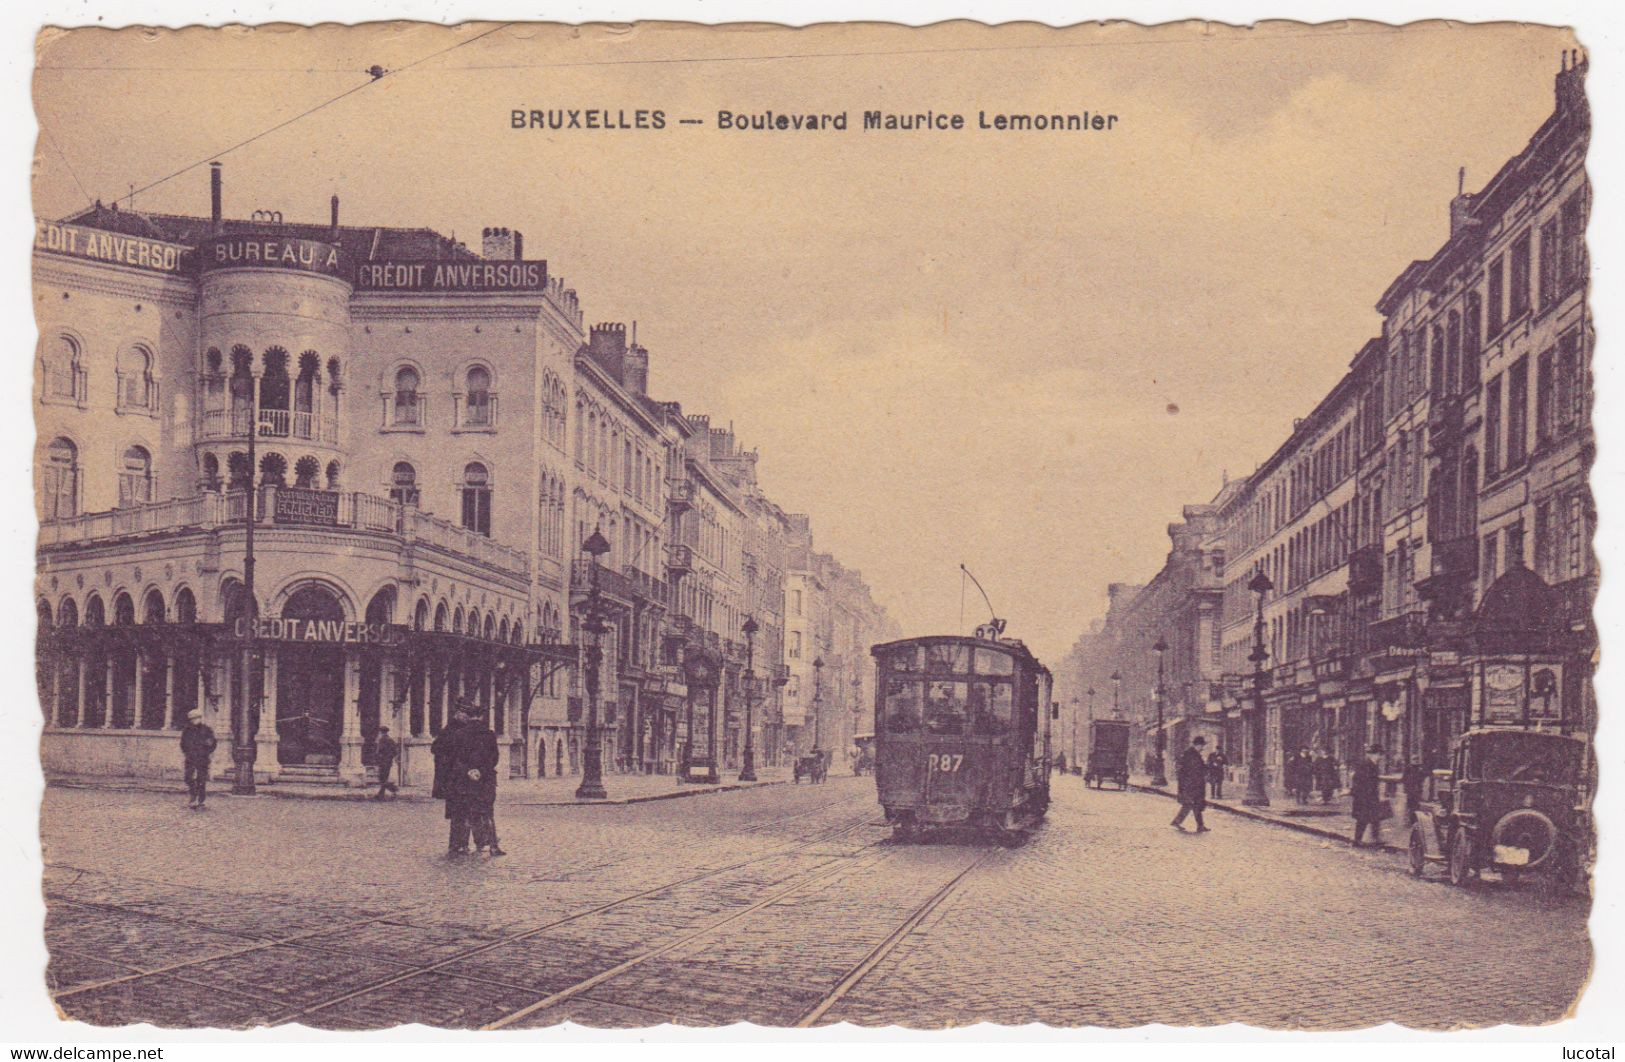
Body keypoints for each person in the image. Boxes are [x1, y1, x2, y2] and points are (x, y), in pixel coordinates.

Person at [452, 705, 504, 857]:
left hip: (465, 779)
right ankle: (493, 847)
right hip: (486, 779)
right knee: (488, 813)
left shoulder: (459, 734)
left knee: (466, 812)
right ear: (482, 716)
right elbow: (494, 757)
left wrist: (469, 771)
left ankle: (463, 846)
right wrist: (481, 771)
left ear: (468, 716)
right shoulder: (489, 734)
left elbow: (456, 758)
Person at [431, 711, 466, 856]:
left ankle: (456, 844)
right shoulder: (462, 734)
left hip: (450, 780)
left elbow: (435, 749)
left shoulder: (446, 733)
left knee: (457, 814)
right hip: (459, 779)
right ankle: (463, 843)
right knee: (465, 813)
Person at [180, 708, 217, 810]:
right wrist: (187, 752)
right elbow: (183, 743)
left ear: (200, 718)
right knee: (188, 777)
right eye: (192, 719)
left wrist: (206, 752)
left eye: (196, 718)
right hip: (190, 757)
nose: (194, 720)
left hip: (202, 758)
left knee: (201, 779)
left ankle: (201, 800)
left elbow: (213, 743)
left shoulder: (207, 730)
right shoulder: (187, 730)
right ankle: (193, 793)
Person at [1171, 735, 1210, 832]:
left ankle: (1200, 826)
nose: (1202, 748)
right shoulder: (1192, 755)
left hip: (1192, 784)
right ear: (1198, 745)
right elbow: (1194, 770)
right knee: (1190, 804)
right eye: (1202, 746)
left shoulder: (1192, 754)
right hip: (1191, 785)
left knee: (1196, 804)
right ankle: (1177, 822)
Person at [1351, 743, 1385, 847]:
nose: (1380, 757)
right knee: (1363, 819)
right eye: (1379, 755)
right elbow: (1358, 779)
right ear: (1375, 754)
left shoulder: (1373, 764)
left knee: (1375, 817)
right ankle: (1357, 840)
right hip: (1364, 796)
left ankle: (1375, 838)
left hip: (1370, 796)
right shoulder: (1365, 764)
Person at [374, 726, 400, 800]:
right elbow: (395, 752)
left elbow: (378, 751)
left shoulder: (382, 740)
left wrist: (379, 758)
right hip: (388, 762)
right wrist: (390, 757)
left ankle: (393, 789)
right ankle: (380, 794)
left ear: (381, 732)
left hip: (383, 762)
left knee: (382, 778)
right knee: (384, 778)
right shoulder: (391, 740)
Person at [1402, 757, 1427, 825]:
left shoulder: (1419, 769)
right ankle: (1409, 821)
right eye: (1414, 760)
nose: (1415, 761)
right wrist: (1406, 788)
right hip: (1411, 791)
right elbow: (1404, 779)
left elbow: (1422, 779)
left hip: (1416, 791)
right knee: (1410, 806)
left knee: (1415, 806)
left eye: (1416, 760)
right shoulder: (1408, 768)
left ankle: (1413, 820)